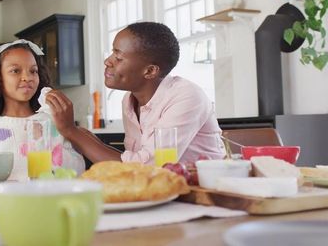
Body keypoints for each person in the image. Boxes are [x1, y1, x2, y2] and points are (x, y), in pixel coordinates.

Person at [46, 22, 226, 165]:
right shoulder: (129, 100)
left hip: (207, 192)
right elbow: (135, 160)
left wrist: (71, 131)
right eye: (112, 52)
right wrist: (79, 133)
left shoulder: (187, 96)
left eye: (118, 57)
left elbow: (147, 169)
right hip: (166, 193)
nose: (107, 61)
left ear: (150, 71)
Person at [0, 39, 85, 181]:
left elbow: (78, 169)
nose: (27, 77)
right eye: (15, 71)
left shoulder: (53, 122)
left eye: (33, 71)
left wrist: (49, 147)